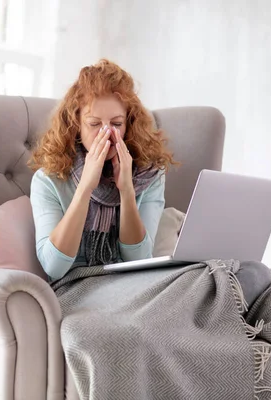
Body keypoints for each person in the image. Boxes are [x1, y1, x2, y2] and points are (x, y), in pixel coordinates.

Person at [29, 59, 175, 280]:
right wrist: (85, 187)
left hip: (131, 284)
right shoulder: (48, 179)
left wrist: (126, 190)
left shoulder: (149, 175)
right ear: (76, 122)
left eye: (116, 124)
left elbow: (139, 260)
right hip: (76, 286)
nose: (105, 134)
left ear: (129, 125)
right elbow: (53, 266)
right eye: (94, 124)